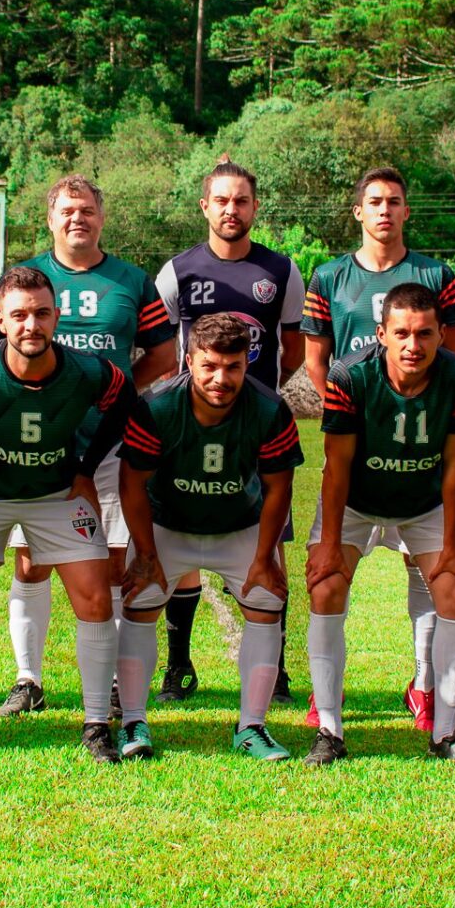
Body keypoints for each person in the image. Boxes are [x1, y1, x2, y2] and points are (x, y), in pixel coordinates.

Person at [0, 176, 176, 717]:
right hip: (34, 440)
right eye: (66, 211)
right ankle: (28, 678)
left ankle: (108, 682)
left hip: (108, 443)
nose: (76, 218)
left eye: (86, 209)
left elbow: (163, 353)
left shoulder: (131, 279)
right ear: (50, 219)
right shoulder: (24, 278)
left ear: (101, 217)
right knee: (29, 562)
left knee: (109, 561)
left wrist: (112, 388)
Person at [0, 267, 134, 763]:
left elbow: (126, 404)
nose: (30, 325)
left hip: (56, 495)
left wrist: (87, 467)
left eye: (40, 313)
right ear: (0, 319)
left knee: (97, 599)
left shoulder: (89, 370)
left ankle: (97, 725)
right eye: (18, 315)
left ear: (55, 316)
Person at [301, 166, 455, 732]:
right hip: (357, 435)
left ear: (406, 211)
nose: (384, 211)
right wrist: (349, 411)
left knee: (428, 575)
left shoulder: (435, 275)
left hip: (419, 441)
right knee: (328, 576)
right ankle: (325, 699)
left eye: (395, 201)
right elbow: (315, 357)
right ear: (358, 212)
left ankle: (423, 685)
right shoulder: (328, 276)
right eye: (374, 202)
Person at [305, 283, 455, 771]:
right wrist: (327, 545)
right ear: (381, 333)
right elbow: (336, 467)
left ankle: (446, 732)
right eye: (402, 333)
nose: (414, 345)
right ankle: (329, 728)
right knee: (325, 587)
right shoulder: (349, 375)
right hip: (358, 501)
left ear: (442, 335)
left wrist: (451, 545)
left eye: (425, 333)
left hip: (423, 503)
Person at [116, 314, 304, 761]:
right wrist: (145, 554)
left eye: (233, 366)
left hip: (238, 524)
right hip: (167, 524)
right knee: (139, 604)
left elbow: (279, 487)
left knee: (266, 605)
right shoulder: (157, 405)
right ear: (189, 362)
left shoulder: (269, 408)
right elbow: (131, 483)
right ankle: (131, 723)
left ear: (246, 364)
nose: (221, 378)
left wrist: (263, 558)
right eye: (209, 366)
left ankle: (252, 728)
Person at [152, 158, 305, 703]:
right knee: (182, 540)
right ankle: (178, 667)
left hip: (254, 432)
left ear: (254, 207)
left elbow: (294, 351)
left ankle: (279, 669)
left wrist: (260, 396)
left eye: (241, 201)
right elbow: (161, 350)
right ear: (205, 207)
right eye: (221, 200)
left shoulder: (282, 272)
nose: (231, 210)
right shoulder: (177, 272)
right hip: (188, 431)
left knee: (271, 543)